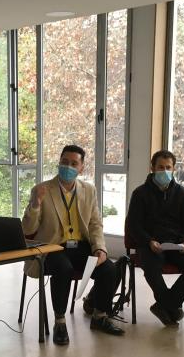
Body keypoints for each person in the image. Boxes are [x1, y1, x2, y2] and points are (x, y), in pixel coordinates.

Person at [22, 145, 124, 345]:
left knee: (109, 269)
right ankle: (60, 322)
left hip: (80, 246)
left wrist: (99, 248)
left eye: (74, 163)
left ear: (81, 168)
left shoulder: (89, 190)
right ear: (59, 162)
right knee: (63, 268)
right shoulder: (42, 189)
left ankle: (100, 316)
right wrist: (35, 205)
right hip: (53, 248)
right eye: (64, 162)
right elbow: (27, 229)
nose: (68, 166)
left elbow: (95, 224)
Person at [127, 149, 184, 327]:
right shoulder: (140, 193)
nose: (165, 171)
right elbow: (134, 225)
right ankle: (171, 306)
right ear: (152, 168)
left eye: (169, 167)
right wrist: (148, 241)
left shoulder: (182, 193)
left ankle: (165, 305)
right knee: (151, 266)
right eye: (161, 167)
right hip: (150, 244)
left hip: (176, 244)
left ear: (174, 169)